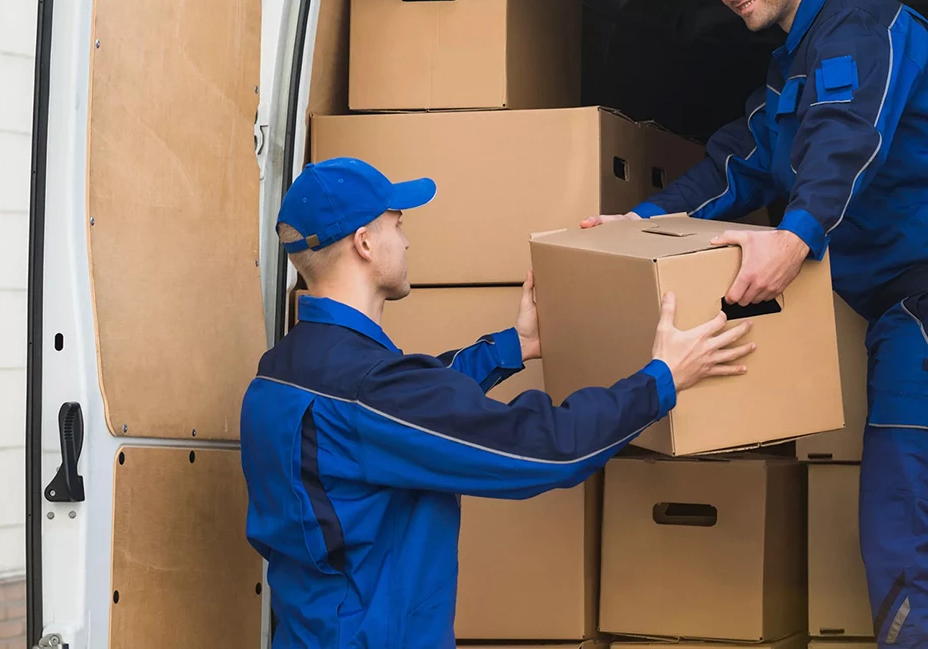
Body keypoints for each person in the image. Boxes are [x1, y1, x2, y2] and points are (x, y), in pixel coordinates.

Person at [582, 0, 928, 648]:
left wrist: (794, 239)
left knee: (899, 526)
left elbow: (848, 140)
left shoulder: (863, 29)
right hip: (917, 310)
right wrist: (643, 223)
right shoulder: (796, 64)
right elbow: (738, 162)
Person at [240, 156, 754, 649]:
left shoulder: (279, 374)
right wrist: (662, 379)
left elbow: (411, 406)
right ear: (365, 243)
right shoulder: (369, 391)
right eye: (397, 224)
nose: (408, 239)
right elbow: (549, 449)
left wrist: (514, 346)